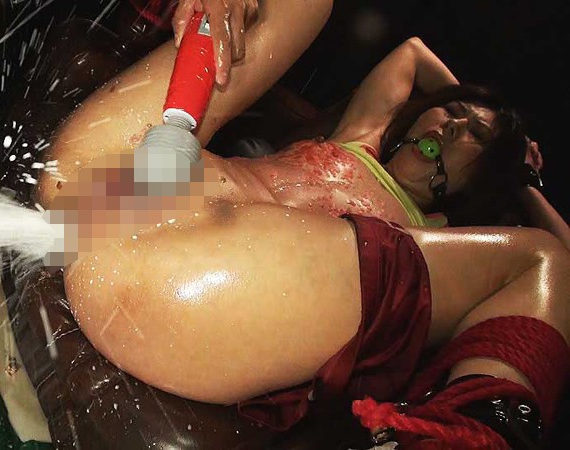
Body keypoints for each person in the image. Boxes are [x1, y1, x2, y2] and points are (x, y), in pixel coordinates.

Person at [34, 0, 570, 447]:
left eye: (476, 134)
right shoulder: (361, 135)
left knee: (542, 255)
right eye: (451, 113)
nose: (454, 127)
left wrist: (519, 176)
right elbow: (411, 52)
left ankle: (465, 439)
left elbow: (556, 264)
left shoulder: (441, 240)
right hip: (105, 185)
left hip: (188, 289)